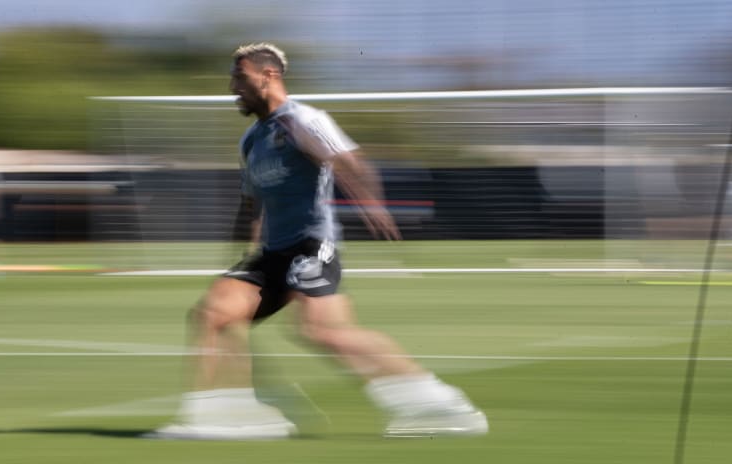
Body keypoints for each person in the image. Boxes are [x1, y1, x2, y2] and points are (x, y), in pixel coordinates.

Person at [148, 43, 488, 440]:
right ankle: (225, 417)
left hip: (313, 245)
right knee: (212, 314)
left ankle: (440, 404)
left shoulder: (302, 120)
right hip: (272, 254)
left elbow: (349, 160)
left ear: (268, 75)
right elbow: (252, 202)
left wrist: (370, 204)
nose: (232, 87)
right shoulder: (251, 140)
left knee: (322, 331)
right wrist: (243, 256)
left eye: (238, 77)